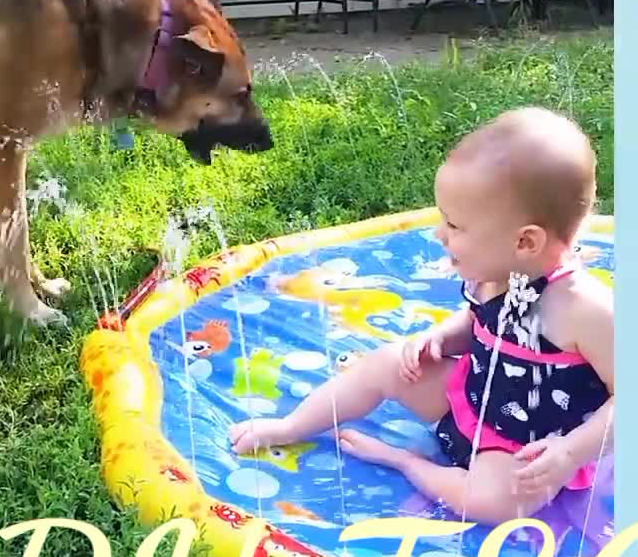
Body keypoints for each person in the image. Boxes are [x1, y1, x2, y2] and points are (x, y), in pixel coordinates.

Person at [228, 107, 614, 524]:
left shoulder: (583, 309)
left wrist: (571, 451)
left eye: (454, 226)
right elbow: (485, 323)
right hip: (472, 399)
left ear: (525, 241)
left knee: (497, 505)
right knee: (390, 362)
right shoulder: (497, 271)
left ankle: (408, 463)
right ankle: (292, 425)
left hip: (530, 446)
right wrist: (443, 339)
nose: (439, 235)